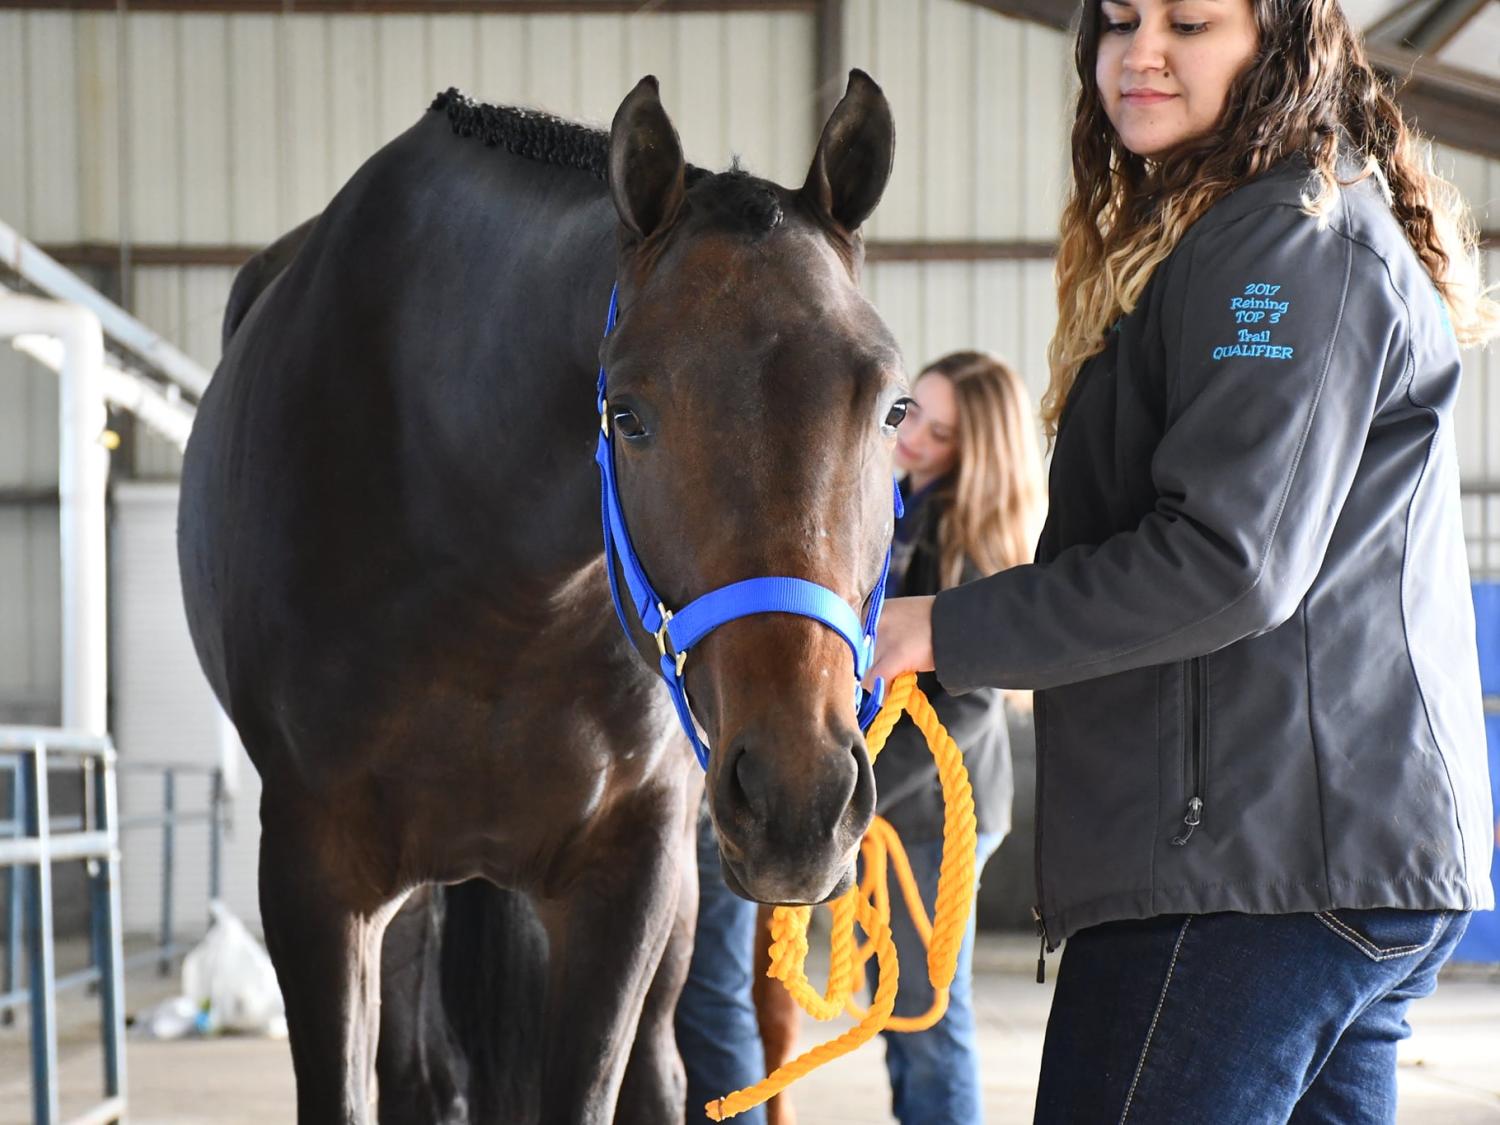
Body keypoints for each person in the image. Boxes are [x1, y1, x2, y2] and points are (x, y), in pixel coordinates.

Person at [869, 0, 1499, 1119]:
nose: (1140, 51)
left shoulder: (1285, 238)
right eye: (1118, 21)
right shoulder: (1249, 231)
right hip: (1316, 856)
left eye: (1190, 22)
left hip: (1251, 870)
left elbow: (1230, 561)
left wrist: (934, 629)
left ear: (1280, 46)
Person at [674, 351, 1045, 1125]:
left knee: (924, 1009)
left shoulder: (970, 539)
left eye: (940, 434)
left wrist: (847, 784)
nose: (911, 440)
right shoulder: (890, 508)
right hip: (877, 790)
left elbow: (965, 710)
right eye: (910, 415)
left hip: (929, 810)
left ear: (977, 450)